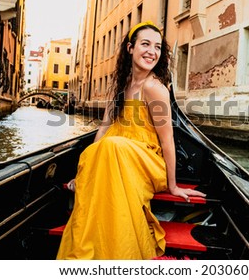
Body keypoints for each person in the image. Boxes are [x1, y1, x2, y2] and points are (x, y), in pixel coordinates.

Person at [56, 21, 206, 260]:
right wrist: (86, 172)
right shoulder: (122, 85)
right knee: (103, 148)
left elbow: (167, 140)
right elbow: (104, 128)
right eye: (145, 44)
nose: (152, 51)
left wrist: (173, 185)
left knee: (113, 146)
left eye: (157, 47)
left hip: (146, 160)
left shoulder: (155, 88)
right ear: (130, 48)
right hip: (115, 156)